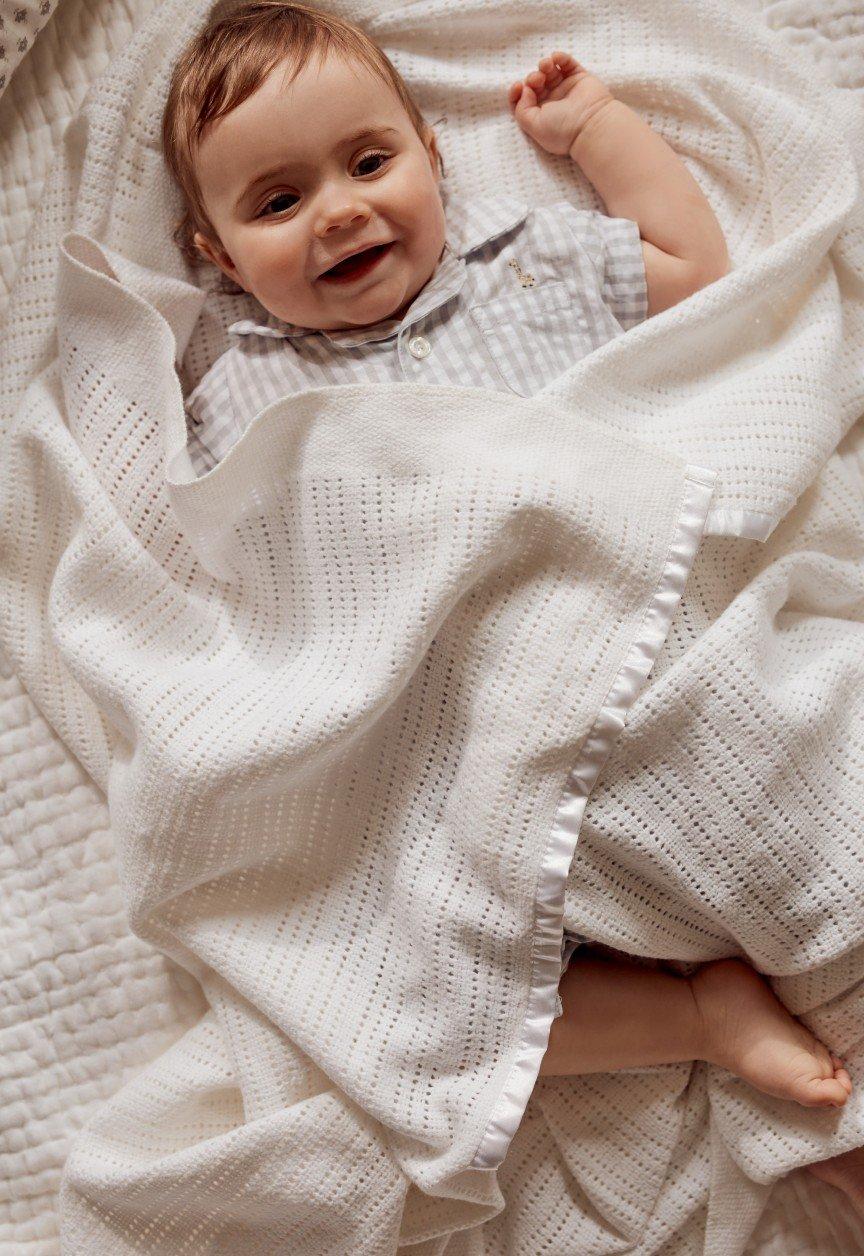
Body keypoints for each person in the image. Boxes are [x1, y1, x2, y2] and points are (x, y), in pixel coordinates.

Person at [160, 0, 860, 1203]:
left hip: (653, 653)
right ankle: (696, 1011)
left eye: (368, 162)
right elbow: (235, 575)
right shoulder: (242, 397)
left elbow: (697, 275)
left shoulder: (527, 271)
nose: (337, 210)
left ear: (434, 158)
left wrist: (596, 130)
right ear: (219, 256)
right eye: (276, 204)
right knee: (423, 1021)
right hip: (476, 747)